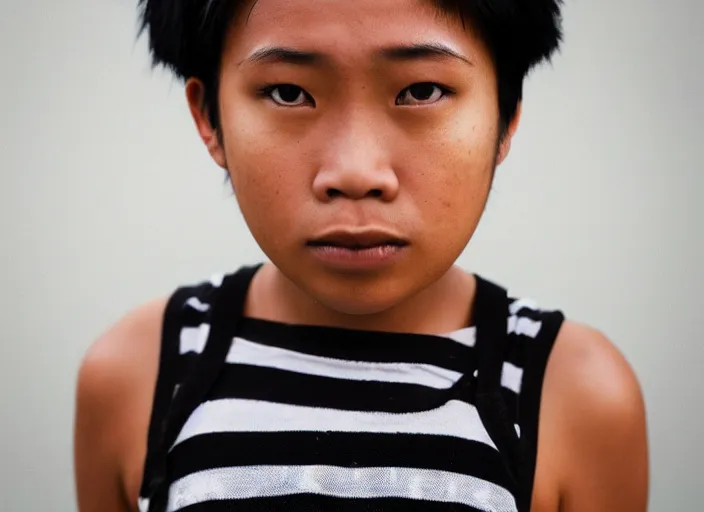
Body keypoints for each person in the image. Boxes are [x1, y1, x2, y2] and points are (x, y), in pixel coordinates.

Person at [73, 0, 649, 511]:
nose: (355, 173)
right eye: (288, 92)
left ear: (506, 113)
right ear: (209, 118)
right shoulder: (140, 373)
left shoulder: (574, 394)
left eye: (422, 91)